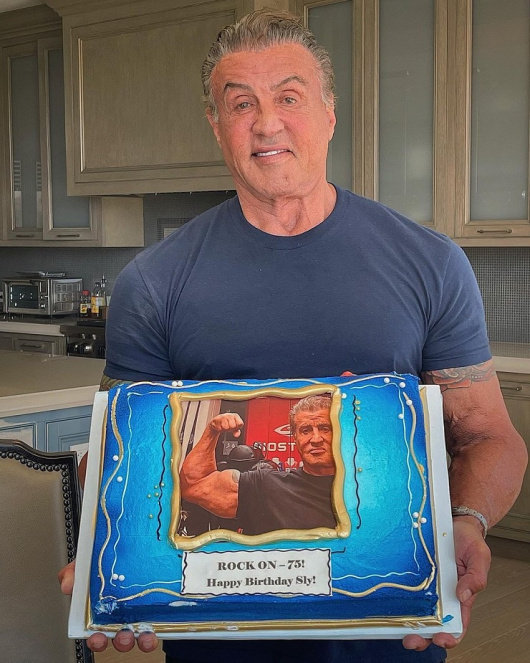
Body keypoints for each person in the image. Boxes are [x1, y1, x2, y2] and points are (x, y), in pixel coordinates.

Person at [58, 9, 527, 663]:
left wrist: (466, 524)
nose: (266, 123)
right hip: (218, 637)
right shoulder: (153, 281)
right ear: (216, 125)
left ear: (329, 113)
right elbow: (122, 455)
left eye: (288, 97)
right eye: (241, 103)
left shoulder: (431, 263)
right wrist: (110, 552)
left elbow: (488, 436)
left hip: (391, 629)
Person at [180, 394, 336, 534]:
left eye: (325, 428)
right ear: (295, 437)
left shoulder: (351, 486)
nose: (316, 439)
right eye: (306, 431)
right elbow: (195, 485)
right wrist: (212, 430)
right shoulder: (267, 485)